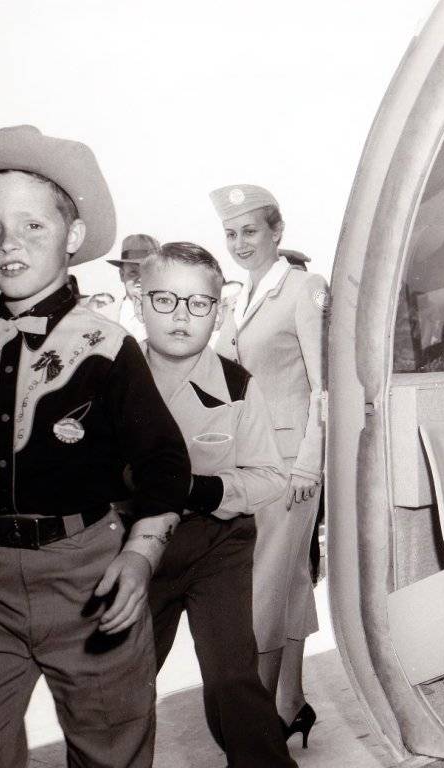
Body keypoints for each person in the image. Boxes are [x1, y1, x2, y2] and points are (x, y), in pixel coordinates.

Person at [0, 124, 190, 768]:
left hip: (87, 576)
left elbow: (165, 463)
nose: (7, 243)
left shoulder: (106, 345)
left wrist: (141, 557)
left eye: (32, 226)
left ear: (72, 236)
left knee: (110, 751)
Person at [138, 241, 295, 767]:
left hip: (216, 545)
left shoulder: (237, 384)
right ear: (139, 301)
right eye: (165, 300)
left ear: (218, 311)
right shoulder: (111, 378)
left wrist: (201, 490)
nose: (181, 316)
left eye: (198, 303)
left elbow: (270, 475)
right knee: (123, 683)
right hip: (134, 550)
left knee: (233, 677)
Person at [211, 184, 326, 747]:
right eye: (231, 233)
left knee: (264, 588)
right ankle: (292, 703)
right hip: (253, 461)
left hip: (289, 465)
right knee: (290, 580)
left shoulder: (304, 288)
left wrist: (309, 464)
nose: (240, 242)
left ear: (277, 231)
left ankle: (257, 731)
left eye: (250, 231)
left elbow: (325, 387)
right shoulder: (242, 297)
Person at [106, 233, 160, 340]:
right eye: (133, 272)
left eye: (147, 272)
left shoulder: (169, 316)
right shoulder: (103, 315)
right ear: (122, 275)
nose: (141, 279)